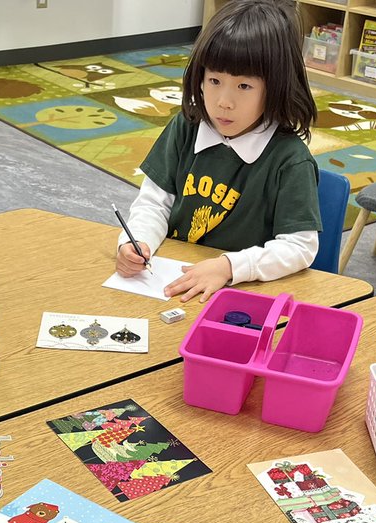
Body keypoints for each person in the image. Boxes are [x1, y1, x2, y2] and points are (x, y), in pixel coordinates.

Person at [114, 0, 320, 303]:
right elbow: (154, 204)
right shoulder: (186, 127)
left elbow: (300, 247)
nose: (224, 101)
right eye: (214, 81)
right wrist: (136, 242)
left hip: (242, 294)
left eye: (244, 86)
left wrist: (229, 266)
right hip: (171, 282)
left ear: (276, 87)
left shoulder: (289, 159)